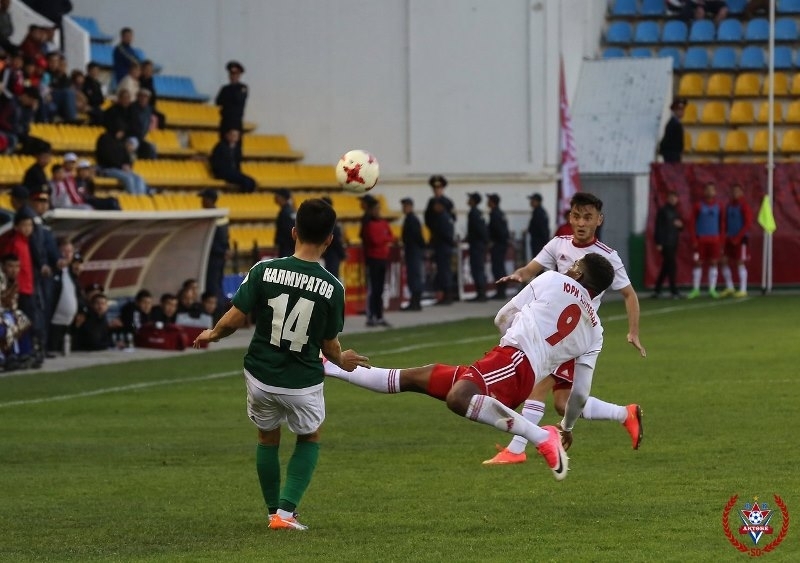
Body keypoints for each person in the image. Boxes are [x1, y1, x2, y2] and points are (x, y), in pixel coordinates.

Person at [327, 253, 617, 482]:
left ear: (578, 273)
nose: (570, 267)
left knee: (458, 398)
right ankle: (329, 366)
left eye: (575, 265)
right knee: (416, 378)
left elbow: (502, 316)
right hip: (518, 373)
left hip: (511, 361)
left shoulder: (553, 279)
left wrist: (509, 340)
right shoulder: (596, 331)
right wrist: (567, 426)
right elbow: (580, 393)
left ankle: (542, 437)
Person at [192, 198, 369, 531]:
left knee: (267, 437)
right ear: (330, 239)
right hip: (301, 381)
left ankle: (273, 511)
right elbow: (329, 345)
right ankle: (285, 514)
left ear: (293, 232)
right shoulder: (333, 288)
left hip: (260, 375)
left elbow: (234, 318)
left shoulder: (264, 270)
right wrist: (341, 360)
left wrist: (212, 334)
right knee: (310, 437)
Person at [483, 192, 646, 465]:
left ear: (599, 220)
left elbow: (629, 294)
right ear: (570, 217)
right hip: (554, 328)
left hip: (574, 333)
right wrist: (519, 275)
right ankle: (625, 414)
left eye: (588, 217)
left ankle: (515, 449)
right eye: (576, 216)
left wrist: (633, 332)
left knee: (537, 386)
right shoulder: (558, 244)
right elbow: (530, 269)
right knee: (564, 403)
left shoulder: (608, 257)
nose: (581, 223)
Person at [688, 182, 725, 299]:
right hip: (700, 240)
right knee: (698, 263)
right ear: (704, 192)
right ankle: (696, 289)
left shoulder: (719, 206)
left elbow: (722, 224)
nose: (710, 192)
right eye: (707, 189)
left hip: (714, 240)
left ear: (715, 192)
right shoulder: (698, 206)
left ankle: (712, 289)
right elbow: (692, 223)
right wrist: (694, 239)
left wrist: (721, 240)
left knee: (714, 262)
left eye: (712, 190)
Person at [361, 197, 394, 327]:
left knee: (379, 289)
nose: (377, 212)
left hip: (382, 258)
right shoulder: (369, 224)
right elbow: (375, 240)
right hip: (373, 258)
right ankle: (371, 316)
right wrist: (385, 239)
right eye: (375, 209)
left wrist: (384, 239)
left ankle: (379, 316)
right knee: (373, 288)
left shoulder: (383, 223)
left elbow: (391, 236)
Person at [198, 189, 231, 311]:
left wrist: (222, 251)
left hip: (212, 256)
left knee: (212, 286)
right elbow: (226, 236)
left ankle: (216, 312)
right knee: (217, 284)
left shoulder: (210, 217)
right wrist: (226, 250)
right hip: (220, 255)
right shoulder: (222, 216)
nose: (202, 201)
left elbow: (211, 239)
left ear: (209, 200)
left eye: (203, 198)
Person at [95, 124, 149, 195]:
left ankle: (140, 198)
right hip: (107, 168)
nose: (122, 134)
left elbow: (126, 157)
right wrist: (121, 166)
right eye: (120, 132)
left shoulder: (120, 141)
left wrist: (128, 165)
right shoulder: (105, 140)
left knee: (138, 178)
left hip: (120, 169)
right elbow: (106, 157)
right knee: (128, 179)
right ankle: (132, 197)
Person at [720, 184, 753, 298]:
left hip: (741, 238)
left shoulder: (744, 206)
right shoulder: (729, 206)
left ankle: (743, 289)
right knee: (723, 260)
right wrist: (725, 236)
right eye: (733, 191)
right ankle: (730, 287)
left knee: (740, 262)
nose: (735, 193)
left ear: (741, 193)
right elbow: (725, 222)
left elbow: (748, 224)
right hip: (729, 237)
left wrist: (738, 237)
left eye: (737, 191)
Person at [652, 190, 684, 299]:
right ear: (667, 198)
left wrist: (680, 225)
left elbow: (680, 226)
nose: (673, 199)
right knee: (671, 266)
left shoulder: (675, 211)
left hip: (673, 242)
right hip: (666, 243)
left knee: (666, 266)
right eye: (671, 197)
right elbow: (658, 227)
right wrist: (659, 242)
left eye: (675, 197)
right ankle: (674, 291)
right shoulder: (663, 211)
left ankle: (657, 290)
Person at [400, 197, 425, 311]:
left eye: (405, 206)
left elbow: (416, 236)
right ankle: (415, 301)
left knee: (414, 276)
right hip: (413, 250)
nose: (403, 208)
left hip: (413, 250)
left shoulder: (412, 220)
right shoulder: (410, 219)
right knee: (413, 276)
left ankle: (415, 302)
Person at [465, 192, 489, 302]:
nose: (468, 200)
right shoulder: (478, 212)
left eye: (470, 198)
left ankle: (481, 293)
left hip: (476, 245)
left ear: (473, 201)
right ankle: (480, 292)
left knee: (477, 268)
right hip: (479, 244)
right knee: (478, 268)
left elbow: (478, 229)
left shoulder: (474, 213)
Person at [215, 61, 248, 138]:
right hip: (225, 122)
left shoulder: (242, 88)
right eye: (231, 74)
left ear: (239, 75)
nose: (233, 76)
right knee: (223, 143)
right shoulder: (225, 89)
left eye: (235, 74)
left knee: (235, 144)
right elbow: (218, 102)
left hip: (235, 123)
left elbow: (238, 99)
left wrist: (228, 99)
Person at [486, 193, 509, 300]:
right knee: (500, 267)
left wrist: (493, 241)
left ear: (492, 202)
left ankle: (501, 291)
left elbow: (497, 230)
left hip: (498, 244)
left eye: (489, 200)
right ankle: (501, 291)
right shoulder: (500, 213)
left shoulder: (495, 214)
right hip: (501, 244)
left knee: (497, 268)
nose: (487, 202)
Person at [320, 196, 346, 280]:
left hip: (329, 252)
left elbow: (335, 237)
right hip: (332, 253)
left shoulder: (325, 219)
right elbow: (336, 238)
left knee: (330, 277)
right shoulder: (330, 219)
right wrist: (342, 253)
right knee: (332, 277)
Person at [659, 98, 685, 164]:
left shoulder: (674, 123)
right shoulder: (673, 124)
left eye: (682, 110)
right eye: (680, 109)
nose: (682, 112)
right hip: (672, 155)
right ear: (675, 111)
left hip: (673, 154)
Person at [527, 193, 549, 259]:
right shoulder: (537, 211)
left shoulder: (539, 212)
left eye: (533, 200)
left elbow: (542, 228)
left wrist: (545, 241)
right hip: (537, 241)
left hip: (539, 242)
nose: (531, 202)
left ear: (538, 202)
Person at [274, 188, 295, 258]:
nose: (275, 198)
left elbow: (288, 229)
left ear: (282, 197)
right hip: (290, 246)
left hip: (286, 247)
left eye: (277, 196)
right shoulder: (291, 210)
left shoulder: (285, 212)